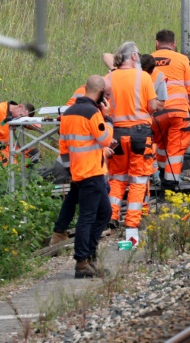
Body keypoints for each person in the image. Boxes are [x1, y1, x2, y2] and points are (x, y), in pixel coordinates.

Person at [56, 75, 114, 278]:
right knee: (88, 218)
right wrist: (107, 118)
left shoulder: (69, 112)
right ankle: (82, 263)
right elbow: (105, 139)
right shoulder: (93, 113)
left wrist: (71, 170)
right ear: (99, 93)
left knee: (104, 213)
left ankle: (89, 255)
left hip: (80, 172)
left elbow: (62, 147)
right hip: (92, 173)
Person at [107, 42, 159, 233]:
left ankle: (111, 216)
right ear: (134, 57)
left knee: (117, 177)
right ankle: (132, 222)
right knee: (138, 179)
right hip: (139, 134)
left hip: (117, 135)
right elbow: (152, 106)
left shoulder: (109, 77)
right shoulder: (143, 77)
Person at [151, 30, 190, 189]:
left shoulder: (148, 60)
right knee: (175, 147)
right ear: (174, 44)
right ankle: (171, 182)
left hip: (156, 113)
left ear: (157, 43)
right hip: (178, 112)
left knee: (160, 145)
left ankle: (160, 173)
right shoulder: (182, 60)